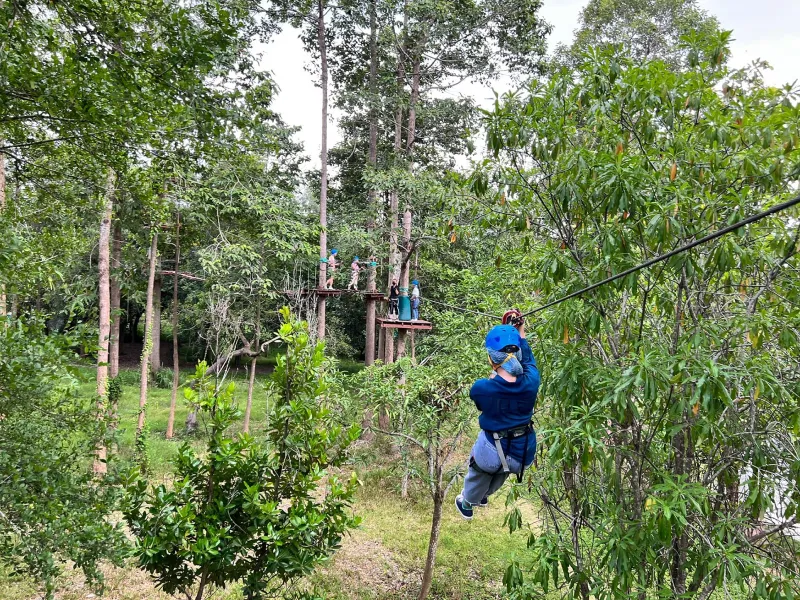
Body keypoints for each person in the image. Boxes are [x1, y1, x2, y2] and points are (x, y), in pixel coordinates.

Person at [455, 314, 540, 520]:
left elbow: (482, 404)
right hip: (523, 454)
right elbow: (527, 359)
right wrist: (519, 331)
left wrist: (494, 378)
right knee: (503, 469)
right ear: (517, 354)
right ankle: (484, 495)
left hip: (492, 452)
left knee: (480, 467)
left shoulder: (482, 388)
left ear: (492, 358)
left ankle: (468, 502)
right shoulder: (531, 381)